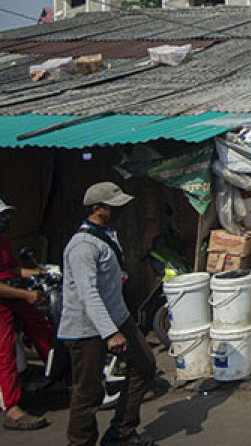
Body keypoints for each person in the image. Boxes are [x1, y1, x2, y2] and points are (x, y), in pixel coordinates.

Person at [60, 182, 158, 446]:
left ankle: (122, 432)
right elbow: (88, 293)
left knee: (145, 365)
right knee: (88, 394)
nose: (120, 210)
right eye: (114, 207)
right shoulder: (82, 246)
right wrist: (110, 333)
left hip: (117, 317)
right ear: (96, 208)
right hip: (87, 327)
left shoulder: (106, 234)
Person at [0, 198, 53, 432]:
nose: (6, 219)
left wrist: (43, 271)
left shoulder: (2, 240)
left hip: (12, 294)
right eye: (2, 216)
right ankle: (12, 409)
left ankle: (57, 371)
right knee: (5, 352)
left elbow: (11, 269)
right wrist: (25, 294)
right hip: (4, 299)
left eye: (6, 215)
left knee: (41, 325)